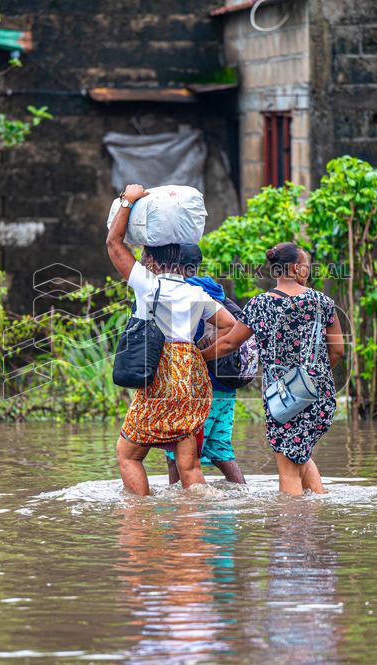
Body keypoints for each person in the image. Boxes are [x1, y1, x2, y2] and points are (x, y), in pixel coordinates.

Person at [106, 183, 237, 496]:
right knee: (188, 463)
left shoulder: (148, 286)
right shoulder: (197, 293)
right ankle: (193, 530)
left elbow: (113, 244)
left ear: (150, 260)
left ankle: (140, 518)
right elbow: (231, 325)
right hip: (191, 376)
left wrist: (127, 201)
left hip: (160, 375)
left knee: (128, 454)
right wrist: (200, 355)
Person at [201, 242, 345, 496]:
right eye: (306, 266)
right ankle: (318, 517)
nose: (309, 271)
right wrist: (313, 378)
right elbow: (338, 351)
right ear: (294, 268)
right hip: (320, 394)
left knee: (289, 470)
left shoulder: (259, 305)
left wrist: (195, 356)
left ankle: (291, 530)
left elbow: (230, 343)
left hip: (284, 398)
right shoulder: (323, 302)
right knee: (300, 454)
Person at [163, 244, 247, 485]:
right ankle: (240, 501)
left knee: (177, 453)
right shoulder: (216, 291)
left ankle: (180, 511)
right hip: (226, 385)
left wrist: (199, 358)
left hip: (201, 386)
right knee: (220, 448)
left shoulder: (186, 293)